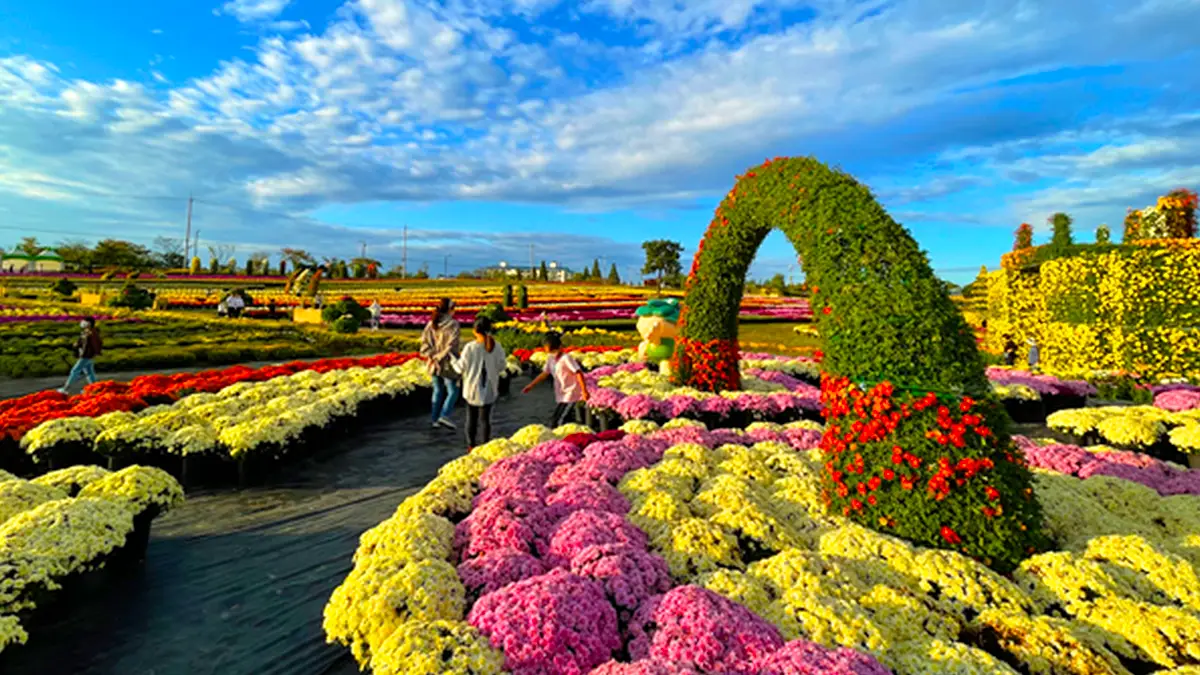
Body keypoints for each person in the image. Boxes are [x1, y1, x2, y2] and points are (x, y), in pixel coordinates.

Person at [453, 317, 508, 449]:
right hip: (489, 387)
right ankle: (485, 446)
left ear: (475, 331)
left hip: (472, 389)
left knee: (471, 419)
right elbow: (502, 366)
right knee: (485, 420)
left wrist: (452, 360)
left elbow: (460, 368)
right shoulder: (496, 346)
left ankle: (471, 446)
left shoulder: (470, 347)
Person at [523, 331, 589, 427]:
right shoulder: (551, 359)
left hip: (571, 393)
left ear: (559, 347)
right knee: (557, 419)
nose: (551, 353)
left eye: (553, 351)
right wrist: (531, 385)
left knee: (560, 420)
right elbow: (545, 373)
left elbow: (578, 373)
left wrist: (584, 391)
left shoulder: (566, 358)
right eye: (549, 352)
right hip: (562, 393)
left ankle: (562, 435)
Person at [420, 298, 462, 429]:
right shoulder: (453, 324)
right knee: (453, 391)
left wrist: (433, 357)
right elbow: (452, 344)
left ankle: (434, 420)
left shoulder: (431, 323)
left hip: (433, 363)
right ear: (450, 310)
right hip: (447, 363)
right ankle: (444, 415)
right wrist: (440, 357)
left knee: (437, 390)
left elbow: (424, 344)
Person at [59, 317, 102, 394]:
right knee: (89, 373)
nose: (82, 323)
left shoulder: (91, 333)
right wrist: (77, 344)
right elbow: (82, 342)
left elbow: (94, 344)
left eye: (85, 321)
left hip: (86, 355)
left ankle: (66, 389)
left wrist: (94, 352)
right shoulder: (87, 332)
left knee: (75, 371)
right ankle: (95, 389)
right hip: (87, 355)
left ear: (89, 323)